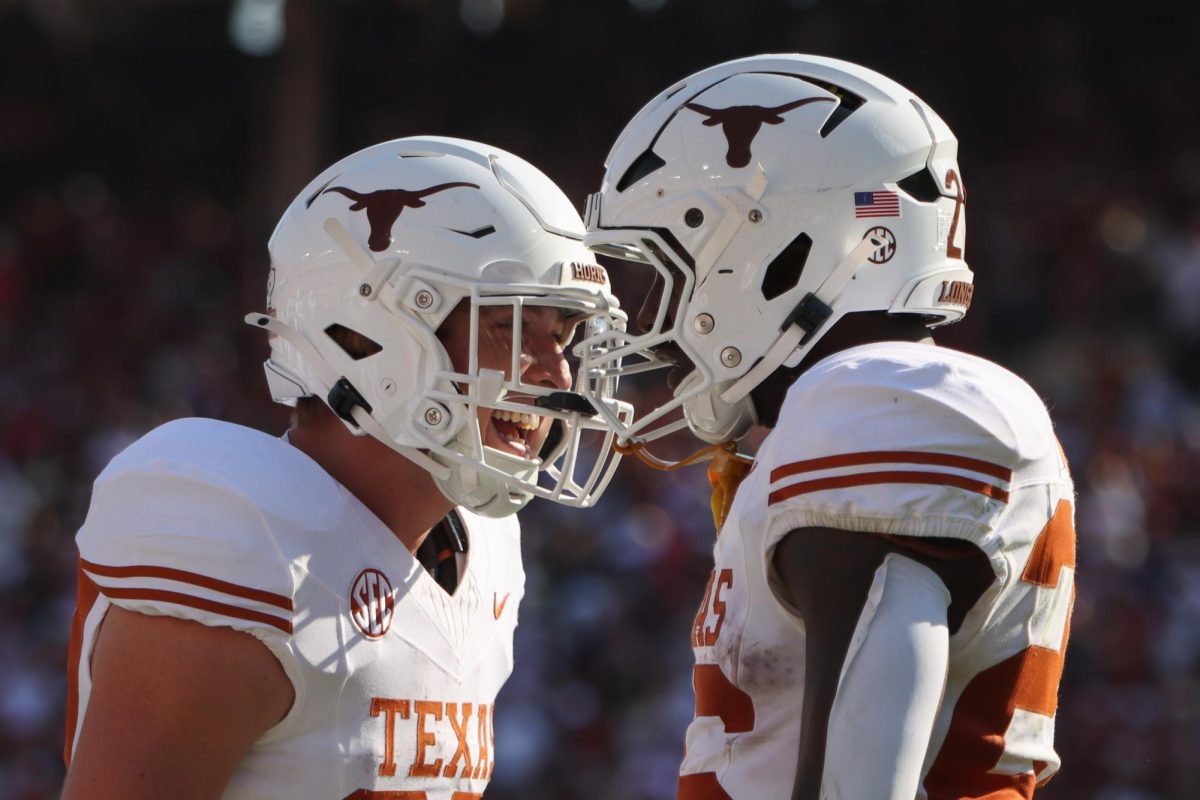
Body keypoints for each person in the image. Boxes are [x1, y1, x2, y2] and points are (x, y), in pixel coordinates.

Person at [61, 136, 627, 800]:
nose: (558, 372)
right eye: (510, 327)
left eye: (559, 335)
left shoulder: (488, 552)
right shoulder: (250, 541)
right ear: (363, 335)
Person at [580, 55, 1076, 799]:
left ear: (777, 250)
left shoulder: (880, 400)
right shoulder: (849, 412)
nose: (654, 318)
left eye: (672, 268)